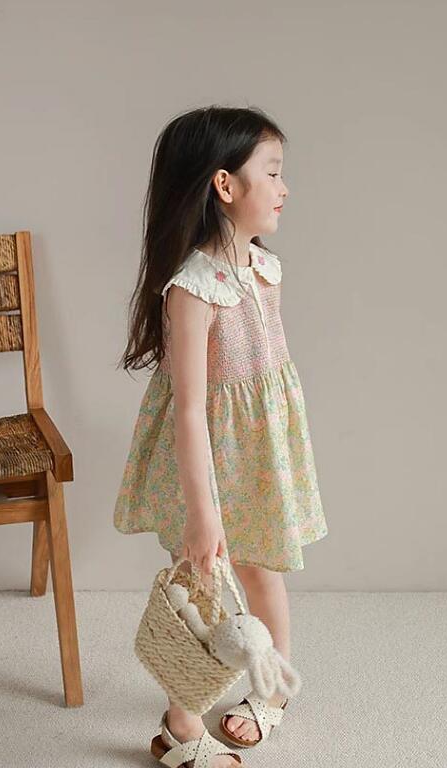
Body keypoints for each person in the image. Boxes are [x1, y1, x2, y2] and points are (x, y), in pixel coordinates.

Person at [114, 105, 329, 767]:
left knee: (262, 571)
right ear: (225, 185)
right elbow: (189, 410)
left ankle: (271, 688)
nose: (285, 188)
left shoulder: (264, 269)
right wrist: (202, 513)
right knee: (202, 595)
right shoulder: (192, 290)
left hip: (257, 454)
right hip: (205, 460)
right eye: (273, 172)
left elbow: (265, 384)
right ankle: (179, 725)